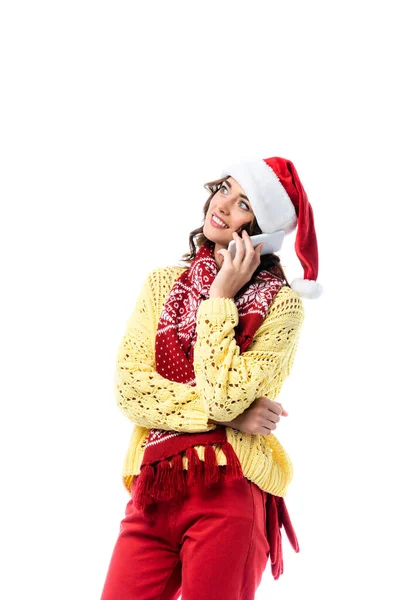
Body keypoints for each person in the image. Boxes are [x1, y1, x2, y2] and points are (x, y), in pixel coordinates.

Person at [100, 156, 323, 600]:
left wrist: (220, 295)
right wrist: (234, 418)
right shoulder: (162, 284)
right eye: (225, 189)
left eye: (244, 204)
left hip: (228, 494)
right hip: (154, 490)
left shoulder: (282, 307)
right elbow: (131, 390)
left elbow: (225, 398)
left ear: (261, 230)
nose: (223, 205)